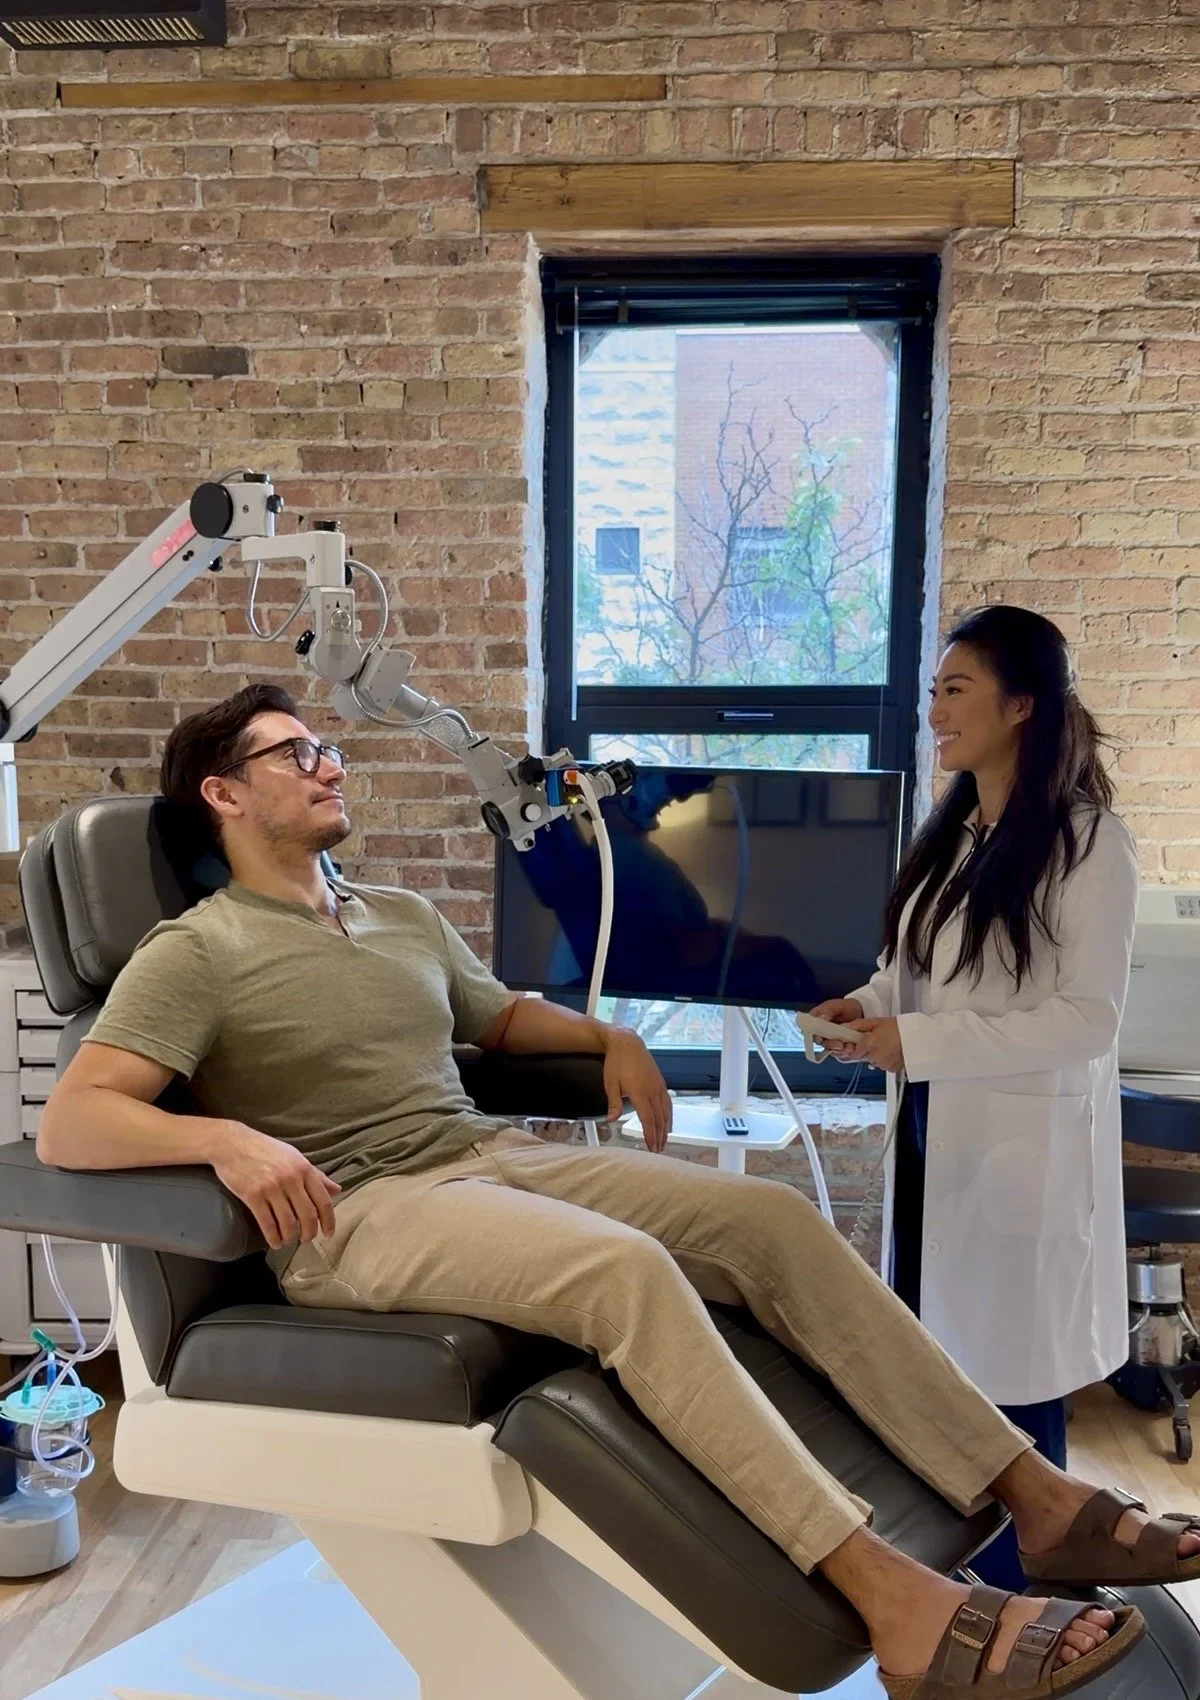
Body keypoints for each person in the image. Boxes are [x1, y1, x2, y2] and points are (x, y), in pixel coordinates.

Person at [37, 684, 1200, 1699]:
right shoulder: (198, 949)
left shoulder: (398, 914)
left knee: (772, 1220)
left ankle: (1035, 1497)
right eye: (293, 752)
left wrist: (608, 1040)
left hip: (484, 1156)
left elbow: (494, 1017)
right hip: (359, 1212)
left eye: (325, 746)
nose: (328, 762)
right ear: (221, 797)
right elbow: (74, 1118)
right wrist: (232, 1142)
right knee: (624, 1274)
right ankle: (894, 1600)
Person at [811, 606, 1138, 1595]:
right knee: (936, 1390)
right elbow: (907, 971)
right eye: (935, 688)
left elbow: (1086, 1020)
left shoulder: (1090, 845)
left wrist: (922, 1039)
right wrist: (862, 1006)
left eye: (957, 688)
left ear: (1023, 703)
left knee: (1009, 1403)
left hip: (1013, 1162)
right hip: (931, 1139)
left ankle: (1035, 1608)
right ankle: (956, 1606)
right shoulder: (955, 835)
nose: (936, 707)